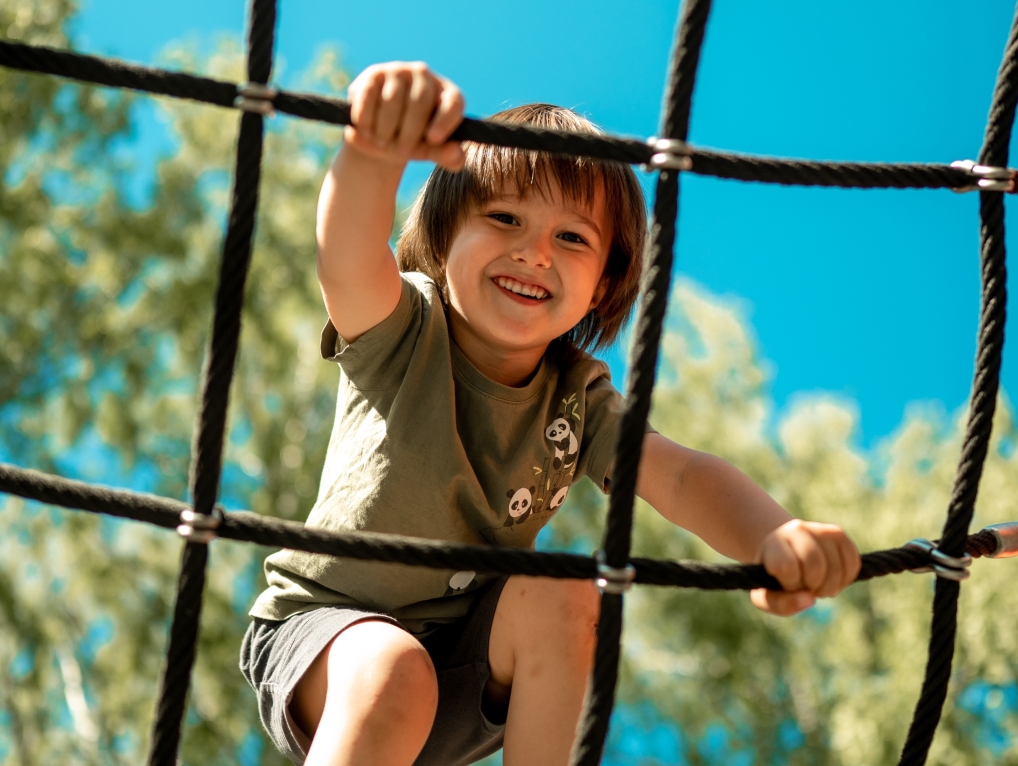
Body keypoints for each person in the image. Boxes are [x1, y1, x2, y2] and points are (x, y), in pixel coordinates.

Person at [240, 61, 861, 766]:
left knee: (568, 594)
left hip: (466, 673)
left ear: (601, 287)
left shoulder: (578, 398)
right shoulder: (407, 328)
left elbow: (680, 477)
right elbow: (346, 260)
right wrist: (372, 153)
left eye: (573, 239)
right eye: (503, 217)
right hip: (328, 639)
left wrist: (773, 537)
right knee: (391, 670)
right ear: (443, 241)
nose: (535, 251)